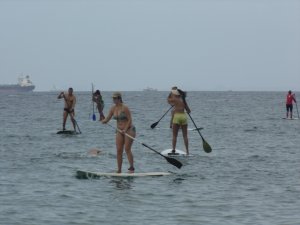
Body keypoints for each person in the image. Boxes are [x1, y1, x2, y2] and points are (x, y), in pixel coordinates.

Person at [102, 92, 135, 173]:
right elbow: (108, 118)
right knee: (119, 150)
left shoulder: (125, 107)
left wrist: (125, 129)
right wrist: (104, 121)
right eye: (113, 98)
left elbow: (130, 120)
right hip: (119, 131)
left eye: (115, 98)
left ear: (119, 98)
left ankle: (131, 168)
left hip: (129, 129)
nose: (114, 100)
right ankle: (119, 170)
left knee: (127, 149)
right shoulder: (113, 108)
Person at [168, 88, 191, 155]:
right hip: (184, 117)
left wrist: (170, 94)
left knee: (174, 136)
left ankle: (173, 150)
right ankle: (187, 151)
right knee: (185, 136)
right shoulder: (184, 100)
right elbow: (189, 111)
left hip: (177, 117)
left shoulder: (174, 100)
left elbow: (169, 101)